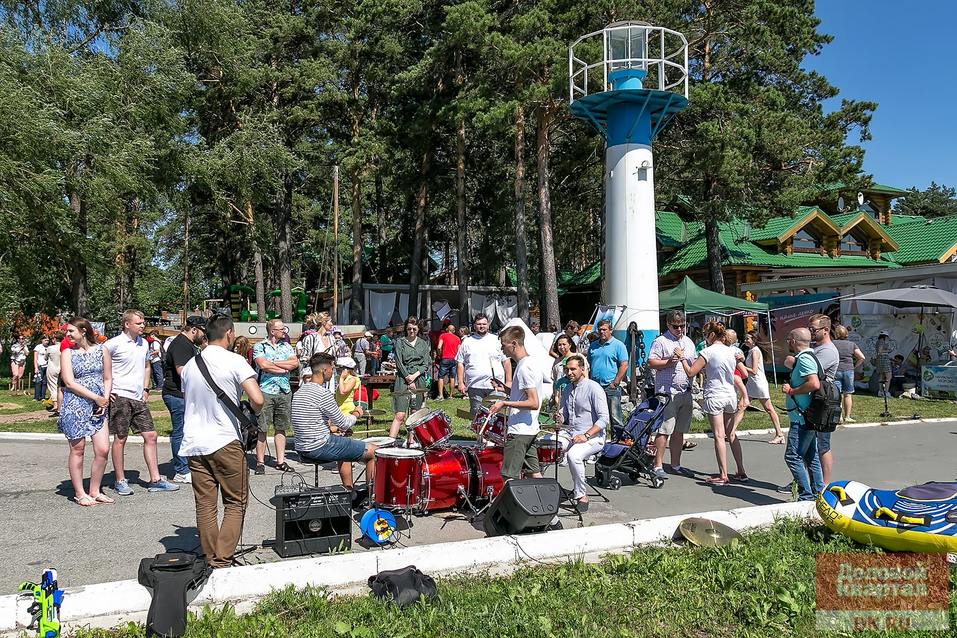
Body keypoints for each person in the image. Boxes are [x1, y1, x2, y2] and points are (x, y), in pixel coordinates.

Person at [179, 314, 264, 569]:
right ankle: (222, 560)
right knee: (235, 502)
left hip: (194, 442)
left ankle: (210, 557)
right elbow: (257, 399)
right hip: (225, 439)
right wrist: (253, 413)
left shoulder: (191, 364)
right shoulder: (235, 360)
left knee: (205, 505)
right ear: (229, 334)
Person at [106, 309, 179, 495]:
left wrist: (146, 389)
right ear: (127, 324)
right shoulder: (112, 344)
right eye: (138, 323)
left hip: (138, 397)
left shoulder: (144, 344)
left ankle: (155, 479)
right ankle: (120, 480)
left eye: (143, 322)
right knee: (120, 438)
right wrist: (108, 391)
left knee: (151, 435)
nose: (142, 325)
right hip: (120, 396)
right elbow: (102, 370)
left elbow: (147, 366)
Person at [293, 353, 376, 489]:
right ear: (324, 370)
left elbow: (308, 422)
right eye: (332, 368)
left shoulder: (299, 392)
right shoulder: (323, 393)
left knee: (345, 446)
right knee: (374, 452)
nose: (333, 372)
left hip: (302, 446)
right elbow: (344, 423)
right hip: (318, 446)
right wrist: (356, 413)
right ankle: (371, 495)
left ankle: (349, 492)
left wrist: (333, 429)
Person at [680, 321, 746, 485]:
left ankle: (723, 474)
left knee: (718, 435)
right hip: (730, 394)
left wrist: (682, 358)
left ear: (710, 335)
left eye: (705, 335)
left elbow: (690, 372)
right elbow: (744, 373)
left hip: (715, 394)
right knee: (731, 434)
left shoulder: (707, 352)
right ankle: (741, 470)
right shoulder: (732, 351)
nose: (705, 338)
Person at [59, 318, 114, 506]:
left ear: (83, 331)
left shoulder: (102, 350)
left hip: (98, 406)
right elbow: (69, 382)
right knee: (78, 448)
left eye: (71, 331)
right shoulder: (67, 353)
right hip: (75, 404)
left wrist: (104, 399)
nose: (67, 335)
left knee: (103, 449)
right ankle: (80, 492)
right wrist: (95, 397)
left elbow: (107, 377)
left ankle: (95, 490)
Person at [488, 326, 543, 481]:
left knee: (508, 476)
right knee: (534, 473)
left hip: (519, 431)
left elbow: (533, 402)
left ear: (513, 344)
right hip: (529, 429)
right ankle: (545, 504)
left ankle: (508, 505)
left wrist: (504, 403)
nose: (501, 349)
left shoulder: (524, 367)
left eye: (503, 345)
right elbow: (523, 395)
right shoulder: (529, 363)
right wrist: (506, 390)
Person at [646, 310, 697, 479]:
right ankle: (658, 465)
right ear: (668, 325)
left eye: (683, 326)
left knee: (679, 431)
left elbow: (693, 362)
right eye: (676, 326)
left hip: (685, 391)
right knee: (664, 429)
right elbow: (651, 362)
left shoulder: (688, 341)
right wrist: (668, 362)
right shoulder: (660, 341)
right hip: (667, 392)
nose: (680, 329)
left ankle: (675, 464)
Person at [555, 354, 608, 510]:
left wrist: (586, 435)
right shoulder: (567, 388)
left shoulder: (593, 388)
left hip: (593, 437)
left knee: (574, 455)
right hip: (571, 433)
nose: (569, 372)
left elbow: (604, 419)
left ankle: (581, 495)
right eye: (567, 370)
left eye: (573, 369)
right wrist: (558, 417)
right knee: (546, 444)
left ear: (582, 369)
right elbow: (564, 414)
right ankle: (544, 486)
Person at [781, 327, 824, 502]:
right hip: (808, 415)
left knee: (792, 456)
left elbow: (813, 383)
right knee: (810, 455)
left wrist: (792, 390)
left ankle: (806, 495)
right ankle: (818, 491)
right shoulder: (810, 357)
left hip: (802, 417)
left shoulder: (805, 359)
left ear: (793, 341)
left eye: (788, 340)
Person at [161, 316, 206, 484]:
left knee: (187, 431)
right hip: (176, 395)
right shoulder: (181, 344)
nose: (204, 335)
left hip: (183, 395)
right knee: (180, 432)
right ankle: (181, 469)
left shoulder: (189, 345)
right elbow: (182, 371)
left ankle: (187, 465)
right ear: (194, 330)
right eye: (202, 331)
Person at [252, 318, 298, 474]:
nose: (284, 331)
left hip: (284, 390)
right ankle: (260, 462)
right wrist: (282, 367)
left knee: (282, 427)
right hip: (265, 391)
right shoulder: (260, 346)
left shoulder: (286, 346)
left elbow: (294, 364)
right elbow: (262, 365)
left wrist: (274, 363)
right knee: (262, 427)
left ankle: (280, 461)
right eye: (281, 329)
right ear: (272, 331)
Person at [456, 313, 512, 417]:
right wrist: (460, 382)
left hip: (496, 386)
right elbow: (460, 363)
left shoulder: (497, 341)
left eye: (484, 324)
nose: (482, 326)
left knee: (497, 416)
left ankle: (494, 433)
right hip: (475, 385)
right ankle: (478, 433)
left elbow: (506, 361)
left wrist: (508, 381)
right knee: (477, 416)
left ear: (488, 325)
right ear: (474, 326)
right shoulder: (467, 342)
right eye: (479, 324)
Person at [388, 316, 432, 438]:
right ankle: (390, 442)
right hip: (403, 378)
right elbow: (399, 361)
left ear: (418, 329)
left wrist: (415, 375)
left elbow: (426, 363)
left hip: (419, 378)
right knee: (400, 414)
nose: (411, 331)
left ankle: (411, 440)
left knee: (414, 412)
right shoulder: (400, 342)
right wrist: (408, 377)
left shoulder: (423, 343)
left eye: (414, 329)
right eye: (409, 329)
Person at [808, 314, 839, 485]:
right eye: (809, 329)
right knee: (810, 445)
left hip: (823, 402)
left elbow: (809, 372)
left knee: (823, 445)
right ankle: (807, 479)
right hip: (815, 401)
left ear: (826, 330)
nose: (811, 332)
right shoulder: (817, 348)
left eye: (814, 329)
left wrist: (794, 363)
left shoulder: (827, 351)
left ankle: (824, 484)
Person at [739, 332, 784, 444]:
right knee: (741, 406)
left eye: (748, 338)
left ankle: (780, 434)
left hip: (758, 383)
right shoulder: (751, 351)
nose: (745, 340)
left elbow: (754, 371)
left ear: (754, 340)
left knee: (769, 408)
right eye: (745, 338)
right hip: (751, 383)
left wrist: (739, 365)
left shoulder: (755, 351)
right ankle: (730, 432)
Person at [587, 320, 629, 432]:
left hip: (610, 387)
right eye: (600, 330)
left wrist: (615, 382)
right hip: (595, 387)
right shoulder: (593, 346)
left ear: (611, 330)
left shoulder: (618, 345)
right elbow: (588, 365)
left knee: (615, 417)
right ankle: (598, 439)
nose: (602, 332)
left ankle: (618, 441)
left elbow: (624, 365)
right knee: (595, 416)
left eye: (604, 329)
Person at [832, 325, 865, 423]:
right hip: (849, 370)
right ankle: (847, 416)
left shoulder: (832, 344)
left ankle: (839, 417)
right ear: (846, 333)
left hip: (836, 370)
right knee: (848, 394)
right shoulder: (852, 344)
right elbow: (862, 357)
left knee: (837, 395)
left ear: (836, 334)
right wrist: (855, 366)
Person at [296, 312, 335, 383]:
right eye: (330, 321)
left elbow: (334, 357)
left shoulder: (331, 338)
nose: (332, 324)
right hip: (314, 376)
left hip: (328, 376)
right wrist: (318, 360)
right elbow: (303, 358)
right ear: (324, 322)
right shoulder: (310, 338)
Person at [550, 334, 586, 406]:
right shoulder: (557, 362)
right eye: (559, 345)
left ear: (569, 345)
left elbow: (585, 376)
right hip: (561, 397)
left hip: (578, 395)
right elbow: (555, 381)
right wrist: (555, 397)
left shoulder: (578, 357)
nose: (562, 347)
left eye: (564, 344)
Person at [435, 323, 461, 401]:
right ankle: (451, 395)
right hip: (454, 359)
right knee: (452, 377)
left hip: (445, 358)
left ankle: (441, 395)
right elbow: (459, 350)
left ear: (447, 329)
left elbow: (439, 347)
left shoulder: (443, 336)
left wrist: (439, 355)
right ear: (454, 331)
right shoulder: (457, 338)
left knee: (441, 377)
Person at [46, 333, 63, 416]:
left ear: (55, 339)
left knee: (52, 386)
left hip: (52, 368)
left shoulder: (50, 348)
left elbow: (45, 357)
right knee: (60, 387)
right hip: (61, 368)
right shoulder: (64, 347)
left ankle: (55, 405)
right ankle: (61, 404)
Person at [874, 331, 892, 397]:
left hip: (879, 360)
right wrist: (888, 350)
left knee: (881, 376)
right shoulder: (881, 341)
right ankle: (886, 392)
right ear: (885, 336)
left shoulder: (878, 341)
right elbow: (880, 351)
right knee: (888, 376)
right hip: (884, 360)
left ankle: (880, 391)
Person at [33, 336, 50, 402]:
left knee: (44, 382)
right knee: (38, 381)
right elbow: (35, 358)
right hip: (40, 366)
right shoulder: (38, 347)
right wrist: (36, 367)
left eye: (48, 340)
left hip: (47, 366)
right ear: (42, 340)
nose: (47, 342)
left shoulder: (49, 347)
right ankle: (36, 397)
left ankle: (43, 396)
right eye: (45, 340)